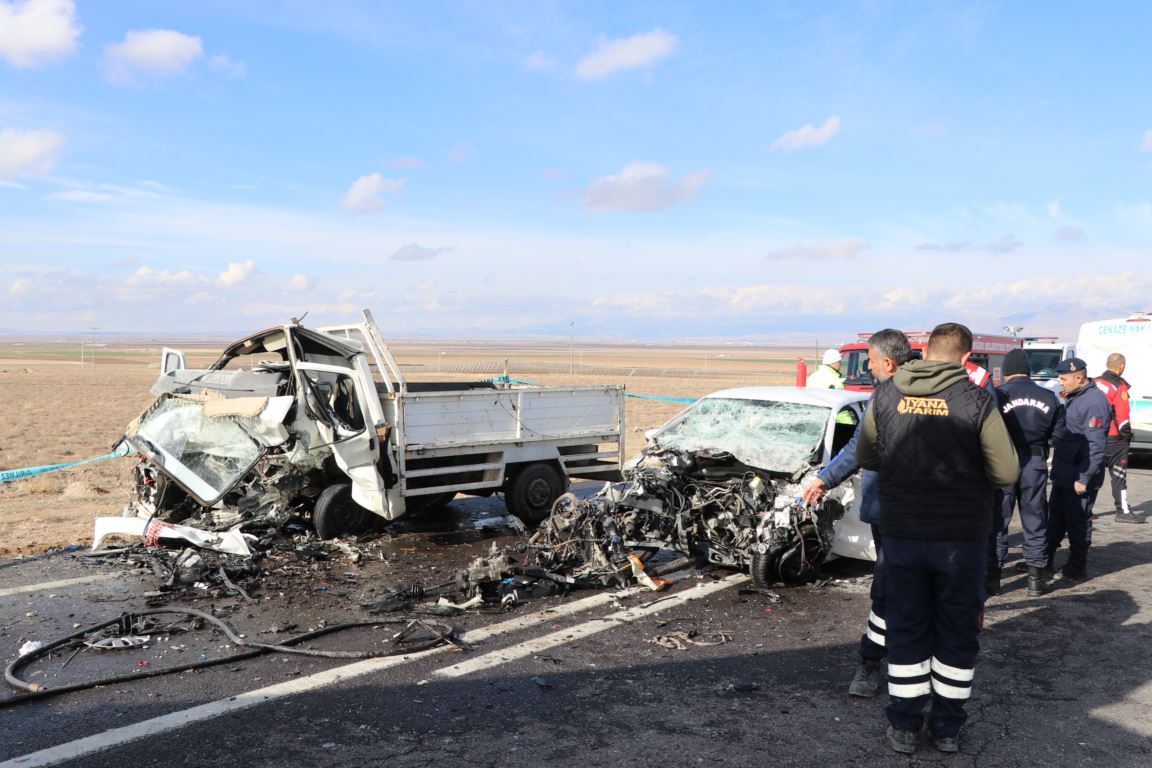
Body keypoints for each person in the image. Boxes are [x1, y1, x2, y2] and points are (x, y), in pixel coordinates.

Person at [857, 322, 1018, 755]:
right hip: (960, 539)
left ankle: (905, 727)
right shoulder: (978, 400)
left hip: (902, 535)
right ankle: (946, 728)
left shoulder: (886, 394)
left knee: (906, 626)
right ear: (966, 358)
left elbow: (867, 455)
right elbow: (1006, 472)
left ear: (925, 351)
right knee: (956, 629)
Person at [801, 329, 912, 698]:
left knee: (889, 590)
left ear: (888, 363)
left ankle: (874, 665)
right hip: (930, 516)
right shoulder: (957, 395)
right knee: (906, 590)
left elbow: (856, 451)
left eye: (870, 359)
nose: (866, 365)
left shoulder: (888, 397)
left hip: (902, 514)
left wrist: (823, 479)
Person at [989, 349, 1065, 597]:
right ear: (1028, 371)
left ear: (1007, 372)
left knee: (998, 520)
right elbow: (1060, 436)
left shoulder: (998, 396)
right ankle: (1035, 579)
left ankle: (993, 579)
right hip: (1035, 462)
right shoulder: (1048, 396)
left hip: (1003, 461)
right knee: (1035, 519)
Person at [1046, 357, 1111, 581]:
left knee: (1077, 521)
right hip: (1066, 471)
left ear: (1079, 377)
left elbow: (1096, 446)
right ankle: (1044, 561)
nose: (1060, 382)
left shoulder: (1094, 402)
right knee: (1055, 518)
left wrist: (1084, 477)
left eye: (1063, 378)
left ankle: (1077, 566)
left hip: (1079, 474)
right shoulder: (1077, 397)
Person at [1095, 353, 1142, 523]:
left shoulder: (1094, 383)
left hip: (1094, 437)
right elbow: (1122, 418)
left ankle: (1083, 509)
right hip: (1115, 439)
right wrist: (1127, 437)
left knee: (1092, 475)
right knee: (1118, 476)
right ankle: (1122, 511)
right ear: (1121, 366)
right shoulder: (1118, 386)